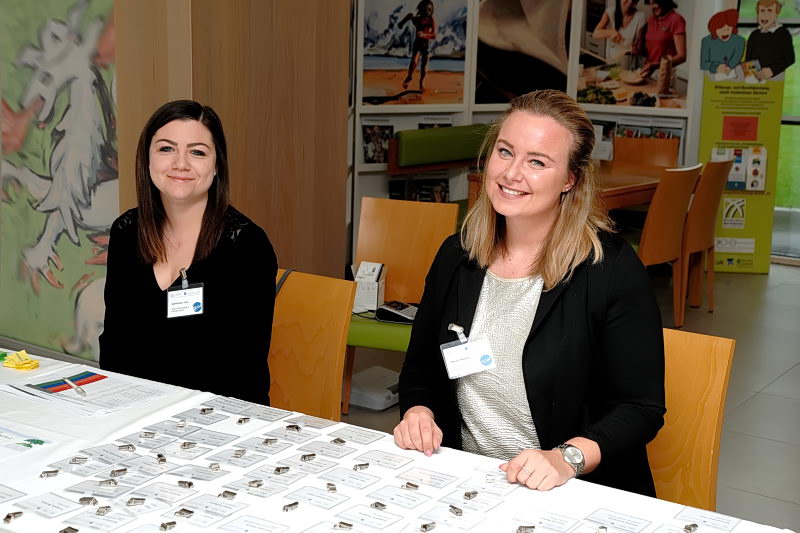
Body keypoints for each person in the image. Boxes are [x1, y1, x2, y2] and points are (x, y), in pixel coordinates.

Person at [393, 90, 665, 495]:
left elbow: (641, 408)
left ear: (570, 179)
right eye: (505, 152)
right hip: (469, 479)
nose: (511, 173)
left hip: (572, 489)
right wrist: (418, 410)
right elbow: (421, 370)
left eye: (537, 162)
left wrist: (566, 458)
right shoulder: (457, 255)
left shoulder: (610, 269)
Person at [99, 100, 277, 405]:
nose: (180, 164)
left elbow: (242, 369)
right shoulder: (126, 232)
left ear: (217, 164)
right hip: (134, 408)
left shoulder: (247, 246)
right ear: (147, 159)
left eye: (197, 152)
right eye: (166, 149)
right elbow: (115, 343)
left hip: (217, 415)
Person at [744, 0, 795, 80]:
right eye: (762, 11)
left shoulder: (783, 34)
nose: (765, 15)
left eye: (769, 11)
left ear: (776, 14)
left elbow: (789, 58)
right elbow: (748, 59)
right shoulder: (754, 35)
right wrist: (751, 75)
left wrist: (772, 70)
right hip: (754, 80)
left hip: (775, 79)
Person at [639, 0, 686, 79]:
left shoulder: (676, 19)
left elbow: (682, 56)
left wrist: (655, 65)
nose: (651, 7)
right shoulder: (651, 19)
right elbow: (654, 48)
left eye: (654, 3)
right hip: (648, 71)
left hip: (665, 73)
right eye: (650, 4)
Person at [398, 0, 436, 91]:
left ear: (432, 10)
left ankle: (421, 83)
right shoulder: (417, 19)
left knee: (424, 66)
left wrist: (424, 35)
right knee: (414, 62)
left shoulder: (431, 19)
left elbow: (434, 35)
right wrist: (402, 23)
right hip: (418, 43)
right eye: (425, 9)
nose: (427, 11)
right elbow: (410, 16)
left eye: (429, 10)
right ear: (420, 9)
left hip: (426, 45)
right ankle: (409, 77)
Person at [700, 9, 745, 75]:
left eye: (728, 28)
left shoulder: (740, 41)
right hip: (713, 76)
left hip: (735, 75)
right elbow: (703, 64)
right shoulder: (706, 41)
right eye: (721, 29)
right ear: (714, 29)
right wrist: (716, 67)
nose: (725, 32)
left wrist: (728, 67)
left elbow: (736, 60)